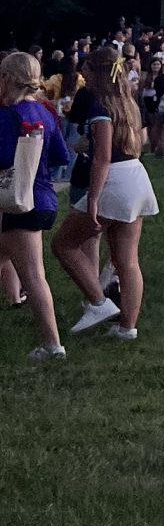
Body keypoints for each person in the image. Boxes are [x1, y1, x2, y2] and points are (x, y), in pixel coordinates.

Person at [54, 46, 158, 341]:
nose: (82, 72)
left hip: (113, 181)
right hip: (136, 177)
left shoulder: (101, 107)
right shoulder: (128, 103)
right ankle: (128, 327)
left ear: (97, 71)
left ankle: (98, 303)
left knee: (63, 245)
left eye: (87, 68)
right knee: (128, 260)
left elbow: (102, 158)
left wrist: (94, 200)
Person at [0, 50, 73, 360]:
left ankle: (53, 345)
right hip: (43, 198)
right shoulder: (45, 112)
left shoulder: (7, 116)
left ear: (6, 78)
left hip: (16, 203)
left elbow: (3, 159)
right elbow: (61, 157)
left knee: (33, 274)